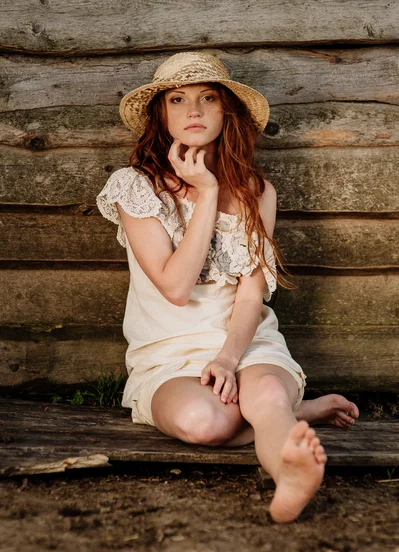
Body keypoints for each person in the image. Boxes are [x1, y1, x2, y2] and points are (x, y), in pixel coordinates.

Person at [96, 51, 359, 522]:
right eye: (178, 99)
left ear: (226, 111)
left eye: (207, 98)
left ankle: (288, 477)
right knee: (205, 422)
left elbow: (250, 296)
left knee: (267, 395)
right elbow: (175, 287)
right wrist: (209, 193)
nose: (193, 111)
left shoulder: (259, 192)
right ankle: (297, 416)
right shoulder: (134, 187)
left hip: (245, 343)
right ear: (162, 114)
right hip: (167, 352)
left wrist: (228, 358)